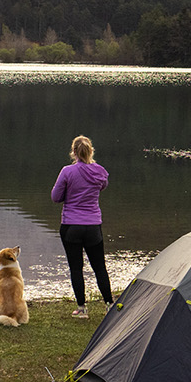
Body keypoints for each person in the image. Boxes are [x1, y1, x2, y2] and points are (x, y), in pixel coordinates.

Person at [52, 134, 114, 319]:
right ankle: (110, 304)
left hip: (71, 226)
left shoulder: (67, 172)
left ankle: (81, 309)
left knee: (76, 267)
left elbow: (56, 197)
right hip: (93, 226)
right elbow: (101, 187)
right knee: (99, 267)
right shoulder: (100, 172)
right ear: (90, 151)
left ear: (74, 152)